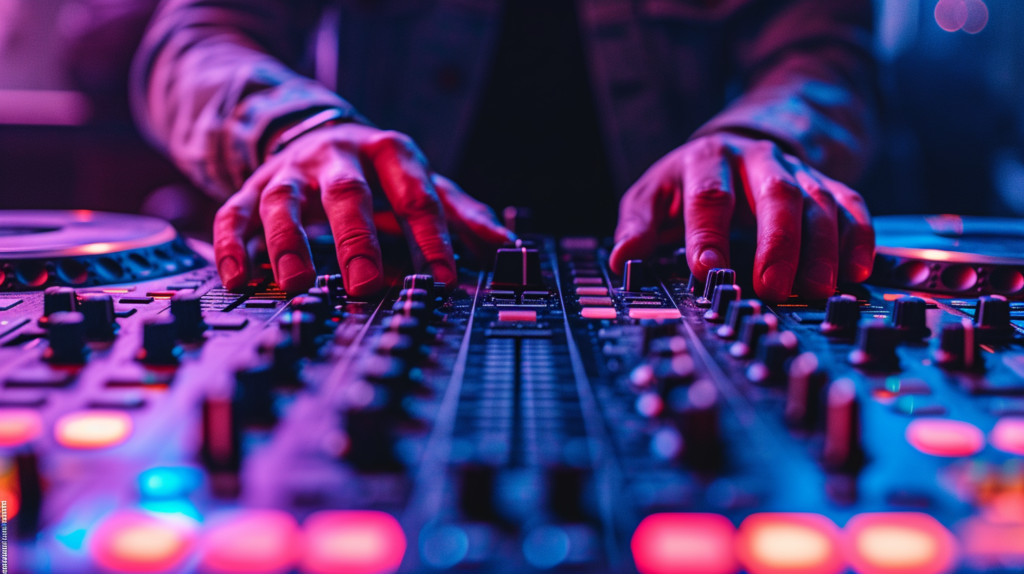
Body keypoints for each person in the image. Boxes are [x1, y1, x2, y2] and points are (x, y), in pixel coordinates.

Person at [131, 0, 878, 302]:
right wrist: (297, 129)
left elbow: (824, 56)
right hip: (386, 264)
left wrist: (759, 137)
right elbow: (192, 39)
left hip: (683, 268)